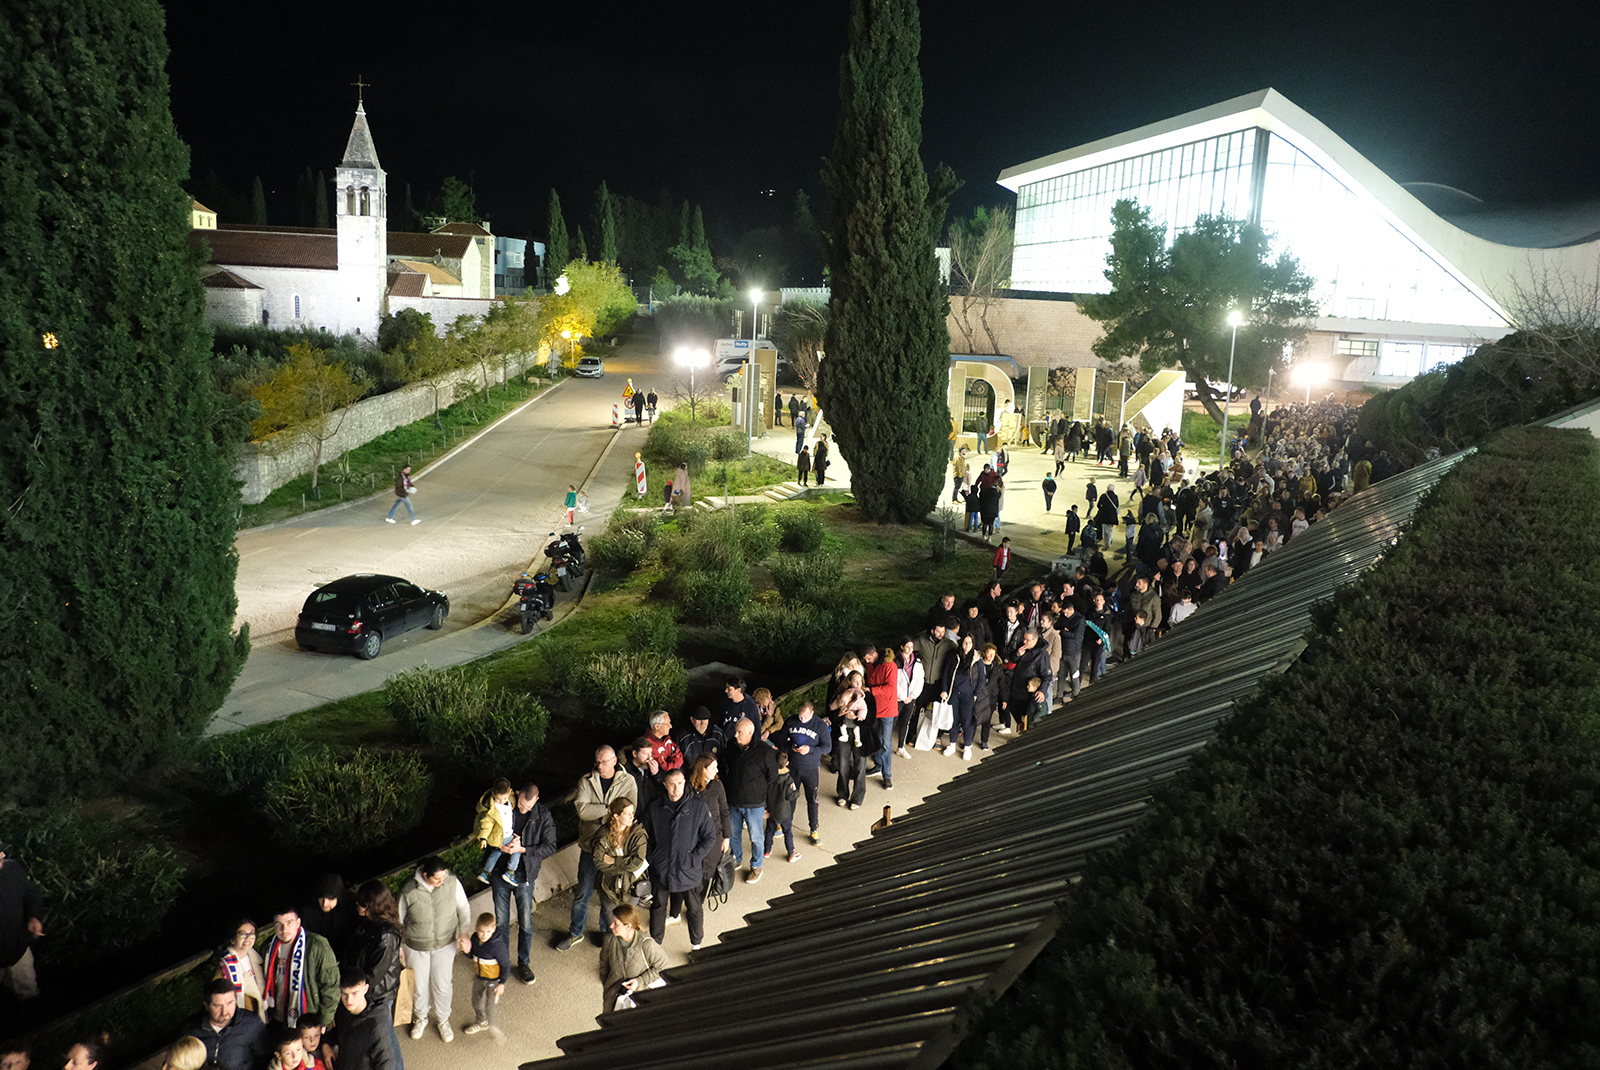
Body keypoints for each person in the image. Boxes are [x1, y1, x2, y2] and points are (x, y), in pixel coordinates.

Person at [557, 747, 638, 952]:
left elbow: (630, 810)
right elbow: (582, 810)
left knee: (608, 893)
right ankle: (575, 932)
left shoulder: (627, 781)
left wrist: (603, 812)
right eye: (597, 762)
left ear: (613, 761)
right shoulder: (586, 781)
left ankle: (606, 932)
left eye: (603, 762)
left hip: (614, 847)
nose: (599, 766)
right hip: (590, 846)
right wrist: (611, 811)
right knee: (582, 891)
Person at [639, 769, 716, 949]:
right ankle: (655, 945)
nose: (676, 788)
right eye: (672, 784)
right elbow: (644, 835)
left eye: (680, 783)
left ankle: (696, 944)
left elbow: (709, 837)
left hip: (687, 869)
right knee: (658, 906)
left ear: (684, 782)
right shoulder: (654, 807)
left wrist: (693, 859)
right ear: (665, 785)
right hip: (662, 868)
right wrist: (653, 858)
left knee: (694, 907)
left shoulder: (697, 806)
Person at [397, 857, 470, 1043]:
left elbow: (463, 908)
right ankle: (421, 1018)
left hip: (445, 943)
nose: (442, 881)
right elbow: (398, 920)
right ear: (425, 875)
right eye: (437, 879)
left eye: (444, 876)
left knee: (443, 985)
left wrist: (464, 932)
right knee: (419, 987)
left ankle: (443, 1020)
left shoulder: (452, 883)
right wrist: (399, 947)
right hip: (415, 946)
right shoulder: (409, 890)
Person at [491, 783, 556, 984]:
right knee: (501, 922)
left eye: (527, 807)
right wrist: (497, 844)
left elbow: (551, 846)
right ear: (517, 794)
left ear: (536, 800)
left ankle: (523, 963)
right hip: (500, 872)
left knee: (525, 922)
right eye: (520, 804)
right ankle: (502, 962)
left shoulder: (543, 816)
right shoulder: (506, 806)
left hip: (524, 875)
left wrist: (523, 850)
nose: (522, 808)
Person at [341, 880, 402, 1061]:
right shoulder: (371, 924)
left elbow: (375, 973)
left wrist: (357, 990)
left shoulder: (385, 935)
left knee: (385, 1037)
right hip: (371, 991)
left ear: (371, 906)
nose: (357, 906)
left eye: (361, 903)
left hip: (378, 995)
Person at [721, 718, 779, 882]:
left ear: (750, 733)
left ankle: (756, 866)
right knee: (733, 834)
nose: (736, 735)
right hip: (733, 801)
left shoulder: (765, 752)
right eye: (736, 731)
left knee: (756, 837)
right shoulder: (732, 746)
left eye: (739, 732)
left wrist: (767, 804)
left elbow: (772, 777)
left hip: (754, 804)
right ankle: (736, 858)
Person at [262, 908, 339, 1029]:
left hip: (309, 1020)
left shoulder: (316, 945)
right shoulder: (268, 947)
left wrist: (323, 1022)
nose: (284, 929)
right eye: (279, 924)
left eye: (289, 923)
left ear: (298, 923)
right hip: (278, 1018)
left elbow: (330, 987)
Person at [183, 977, 271, 1070]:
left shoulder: (252, 1024)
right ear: (207, 1006)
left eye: (230, 1003)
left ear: (236, 1000)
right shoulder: (191, 1028)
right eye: (217, 1006)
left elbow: (265, 1058)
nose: (224, 1012)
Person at [597, 905, 667, 1017]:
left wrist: (640, 981)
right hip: (613, 997)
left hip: (639, 998)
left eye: (616, 923)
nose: (611, 926)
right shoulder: (609, 941)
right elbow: (603, 966)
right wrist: (609, 986)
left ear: (628, 926)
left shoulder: (646, 944)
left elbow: (662, 966)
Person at [776, 701, 830, 846]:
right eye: (800, 717)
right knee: (790, 797)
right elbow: (781, 740)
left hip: (811, 768)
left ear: (812, 713)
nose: (802, 720)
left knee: (812, 799)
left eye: (805, 718)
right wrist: (790, 748)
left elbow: (827, 746)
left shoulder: (820, 725)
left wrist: (810, 750)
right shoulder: (791, 721)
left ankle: (813, 829)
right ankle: (785, 824)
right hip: (793, 767)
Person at [590, 799, 648, 932]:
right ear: (616, 816)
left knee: (629, 924)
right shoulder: (603, 835)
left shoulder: (637, 833)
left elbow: (637, 862)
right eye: (627, 813)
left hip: (631, 886)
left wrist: (615, 861)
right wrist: (626, 866)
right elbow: (599, 862)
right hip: (609, 887)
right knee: (612, 925)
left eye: (632, 812)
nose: (632, 817)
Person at [0, 841, 44, 1001]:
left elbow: (29, 891)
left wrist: (33, 916)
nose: (3, 855)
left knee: (28, 991)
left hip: (18, 950)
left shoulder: (11, 868)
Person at [328, 969, 398, 1070]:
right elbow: (340, 1030)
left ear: (365, 989)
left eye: (354, 993)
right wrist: (326, 1043)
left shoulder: (376, 1027)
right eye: (344, 994)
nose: (349, 1000)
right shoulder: (344, 1010)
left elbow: (386, 1063)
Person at [461, 913, 509, 1037]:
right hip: (479, 977)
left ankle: (492, 1025)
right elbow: (472, 955)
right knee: (476, 1001)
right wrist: (466, 951)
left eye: (488, 931)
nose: (484, 935)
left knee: (490, 1005)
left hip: (493, 981)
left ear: (493, 929)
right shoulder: (475, 939)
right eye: (481, 931)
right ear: (476, 928)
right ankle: (481, 1022)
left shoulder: (497, 946)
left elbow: (505, 965)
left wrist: (502, 984)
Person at [828, 671, 870, 809]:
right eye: (854, 681)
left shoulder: (867, 696)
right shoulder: (841, 695)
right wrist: (840, 714)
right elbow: (832, 716)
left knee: (859, 766)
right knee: (843, 764)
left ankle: (858, 797)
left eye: (860, 681)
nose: (857, 684)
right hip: (843, 734)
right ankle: (842, 794)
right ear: (849, 682)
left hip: (860, 735)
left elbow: (872, 719)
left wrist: (856, 717)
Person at [213, 920, 265, 1019]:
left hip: (259, 1013)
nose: (248, 938)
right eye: (243, 935)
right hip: (242, 1017)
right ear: (232, 939)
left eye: (252, 934)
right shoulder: (225, 968)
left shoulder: (256, 958)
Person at [473, 778, 519, 886]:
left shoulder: (510, 798)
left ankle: (485, 872)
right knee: (517, 849)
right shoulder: (492, 809)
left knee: (496, 853)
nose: (501, 801)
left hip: (506, 834)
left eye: (504, 798)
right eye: (498, 799)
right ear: (493, 794)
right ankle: (511, 872)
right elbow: (486, 824)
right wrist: (483, 838)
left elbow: (512, 797)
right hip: (503, 836)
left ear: (509, 792)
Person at [763, 752, 802, 864]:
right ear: (787, 763)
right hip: (784, 811)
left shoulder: (769, 777)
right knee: (788, 832)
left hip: (771, 809)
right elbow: (790, 795)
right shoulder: (788, 780)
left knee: (770, 830)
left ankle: (767, 850)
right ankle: (791, 853)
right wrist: (796, 792)